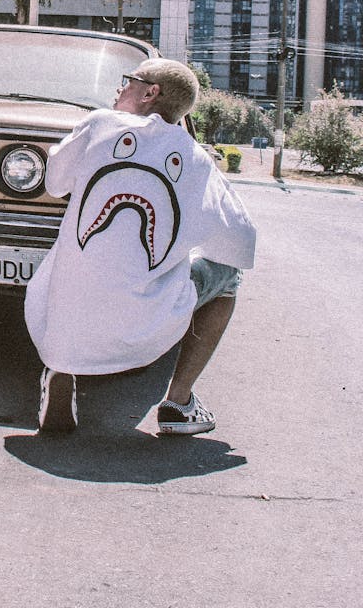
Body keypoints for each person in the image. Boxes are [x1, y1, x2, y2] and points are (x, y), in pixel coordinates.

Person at [23, 59, 257, 436]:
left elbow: (54, 183)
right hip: (146, 321)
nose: (120, 88)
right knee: (229, 278)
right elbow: (240, 242)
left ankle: (61, 368)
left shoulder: (99, 124)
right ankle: (178, 404)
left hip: (66, 312)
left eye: (129, 81)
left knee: (76, 264)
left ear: (151, 93)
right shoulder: (196, 159)